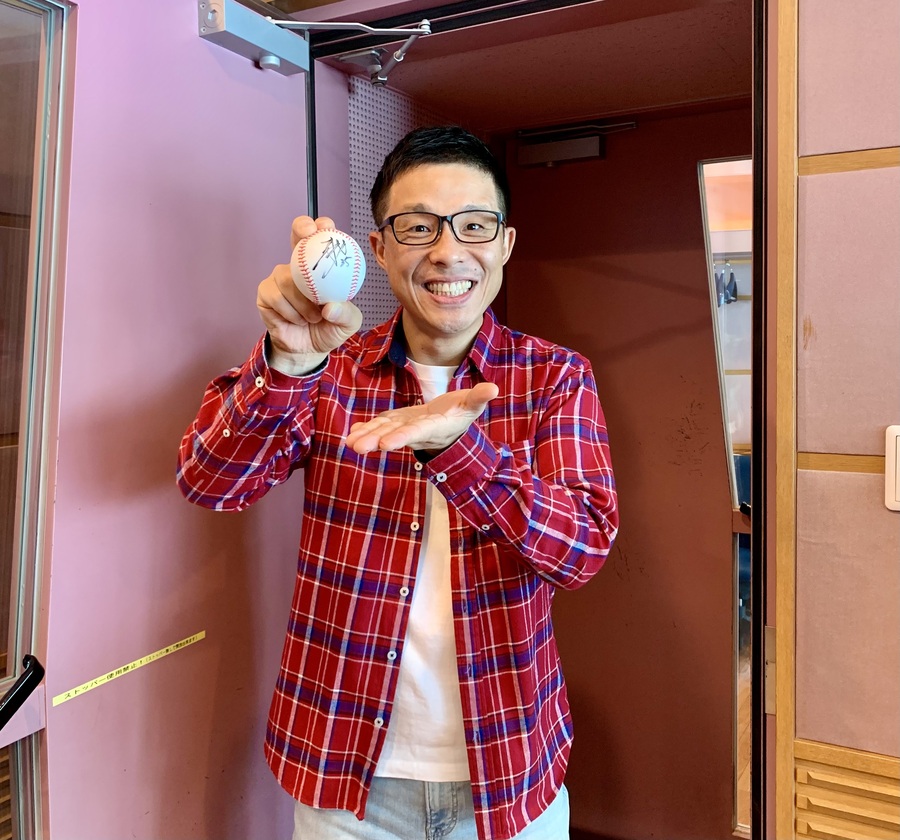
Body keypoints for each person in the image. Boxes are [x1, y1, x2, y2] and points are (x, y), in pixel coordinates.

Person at [177, 125, 618, 840]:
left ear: (505, 243)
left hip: (509, 768)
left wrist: (460, 451)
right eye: (418, 227)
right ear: (379, 248)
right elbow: (209, 480)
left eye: (474, 225)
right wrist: (287, 364)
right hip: (345, 774)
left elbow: (582, 549)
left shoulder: (554, 377)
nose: (448, 251)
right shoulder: (331, 369)